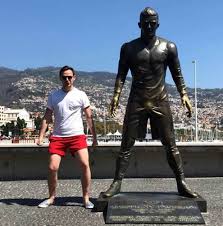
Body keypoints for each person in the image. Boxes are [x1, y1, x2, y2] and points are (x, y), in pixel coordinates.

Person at [103, 7, 197, 198]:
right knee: (126, 145)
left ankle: (181, 182)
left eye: (152, 23)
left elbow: (177, 73)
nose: (149, 26)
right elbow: (121, 75)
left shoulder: (169, 47)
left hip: (160, 99)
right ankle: (117, 183)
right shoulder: (128, 48)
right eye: (145, 23)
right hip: (136, 99)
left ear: (158, 24)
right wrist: (115, 96)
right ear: (139, 24)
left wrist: (184, 94)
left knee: (170, 144)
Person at [37, 65, 97, 208]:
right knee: (52, 167)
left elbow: (89, 117)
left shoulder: (81, 95)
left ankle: (86, 198)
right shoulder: (53, 96)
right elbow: (47, 117)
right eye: (64, 77)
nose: (67, 79)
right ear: (60, 78)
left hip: (77, 136)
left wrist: (95, 138)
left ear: (74, 78)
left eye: (70, 77)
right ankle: (51, 197)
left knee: (84, 164)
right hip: (58, 137)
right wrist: (40, 136)